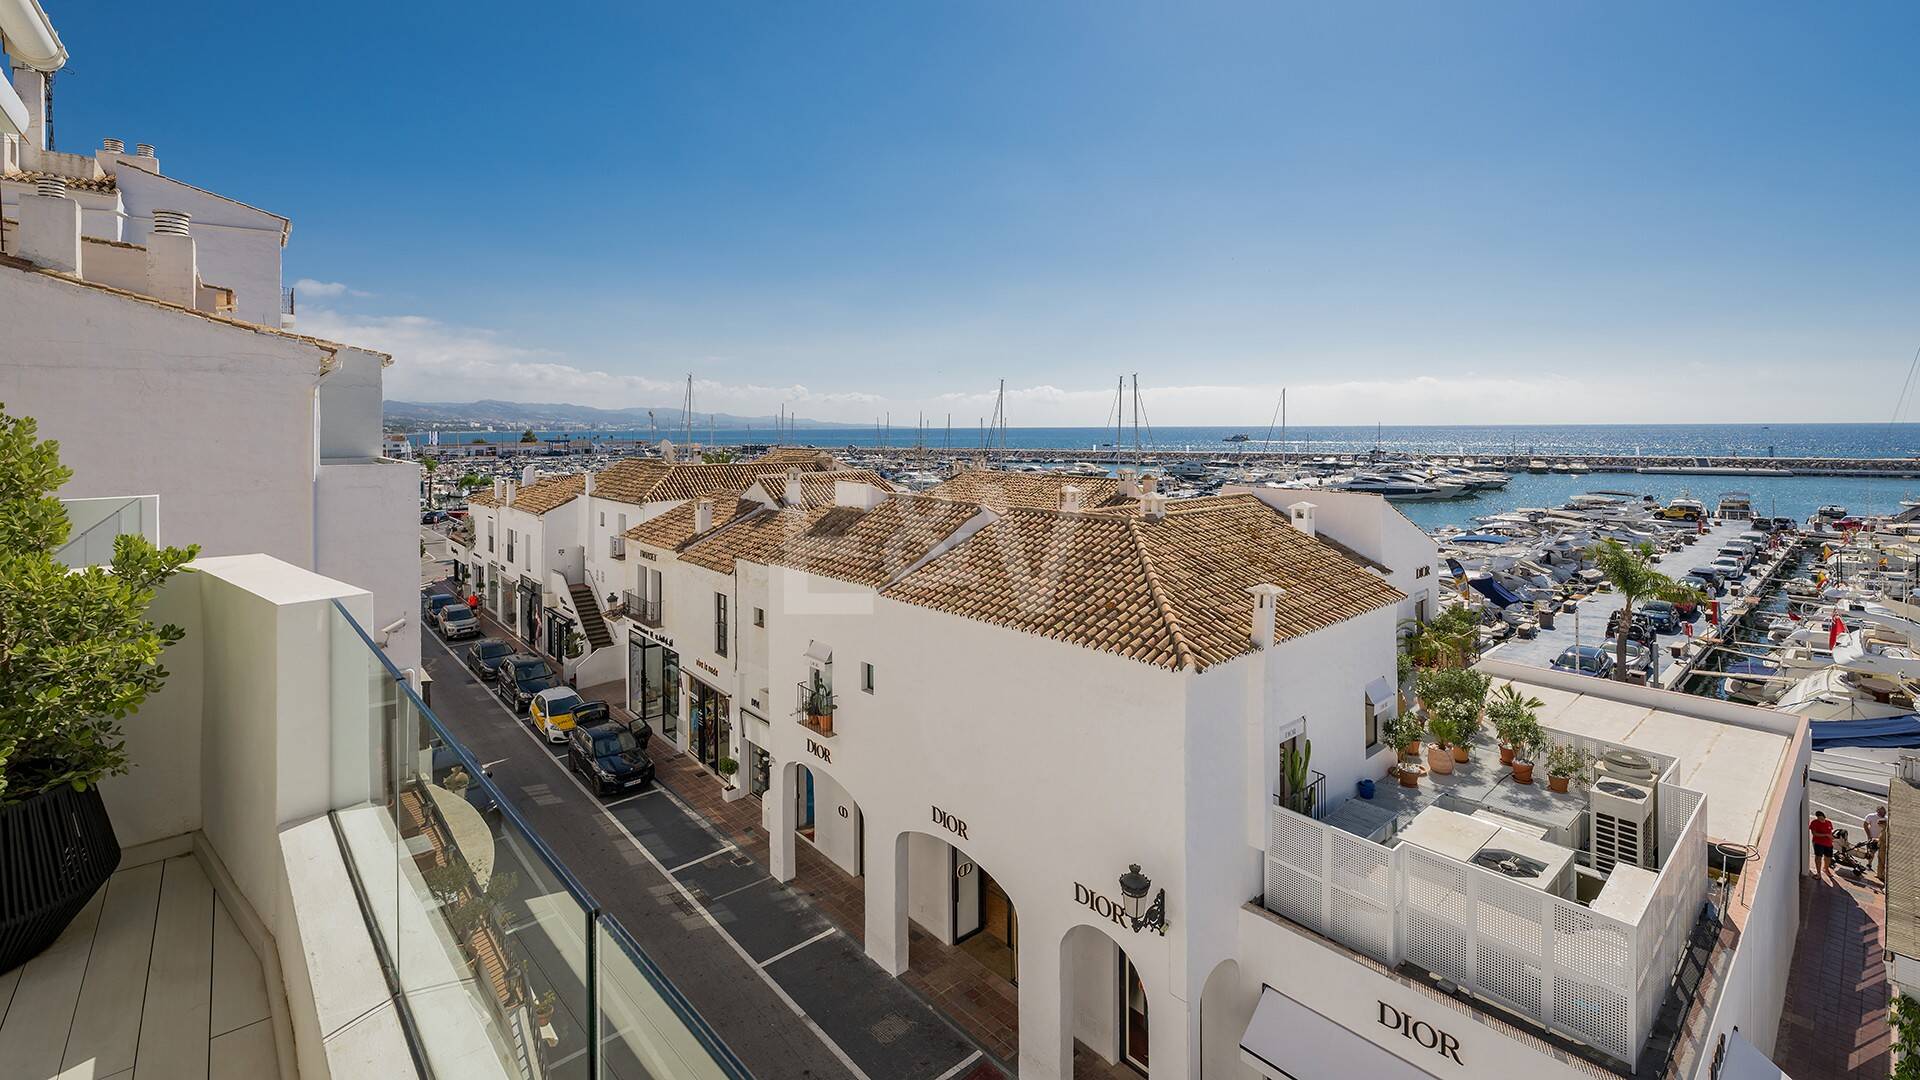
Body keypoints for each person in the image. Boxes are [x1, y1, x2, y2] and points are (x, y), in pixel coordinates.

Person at [1810, 811, 1838, 884]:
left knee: (1828, 857)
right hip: (1818, 843)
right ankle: (1818, 873)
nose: (1820, 820)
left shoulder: (1829, 822)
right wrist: (1825, 835)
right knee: (1818, 857)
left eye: (1821, 818)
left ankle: (1826, 869)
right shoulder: (1814, 823)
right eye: (1819, 818)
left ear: (1824, 817)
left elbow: (1830, 832)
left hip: (1828, 844)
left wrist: (1831, 837)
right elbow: (1814, 834)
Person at [1867, 806, 1890, 882]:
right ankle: (1879, 874)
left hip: (1883, 848)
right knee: (1880, 861)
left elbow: (1883, 840)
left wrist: (1876, 840)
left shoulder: (1885, 832)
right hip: (1881, 847)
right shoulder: (1883, 830)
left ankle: (1882, 875)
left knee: (1883, 862)